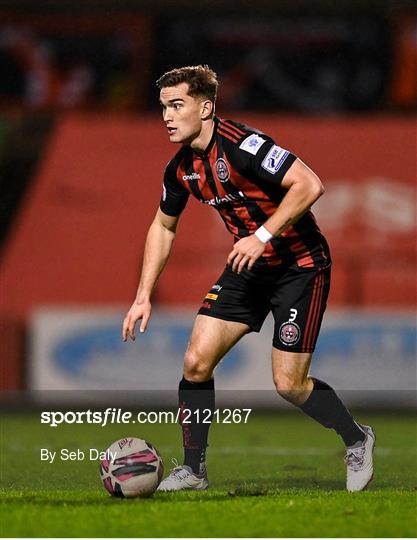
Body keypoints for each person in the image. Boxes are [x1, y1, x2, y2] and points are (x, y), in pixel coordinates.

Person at [122, 65, 375, 492]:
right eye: (163, 106)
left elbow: (309, 184)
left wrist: (260, 235)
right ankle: (194, 470)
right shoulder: (180, 169)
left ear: (205, 107)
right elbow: (163, 227)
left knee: (288, 385)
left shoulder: (244, 146)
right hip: (249, 269)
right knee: (195, 363)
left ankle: (356, 438)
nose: (166, 116)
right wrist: (143, 295)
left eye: (177, 105)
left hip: (300, 266)